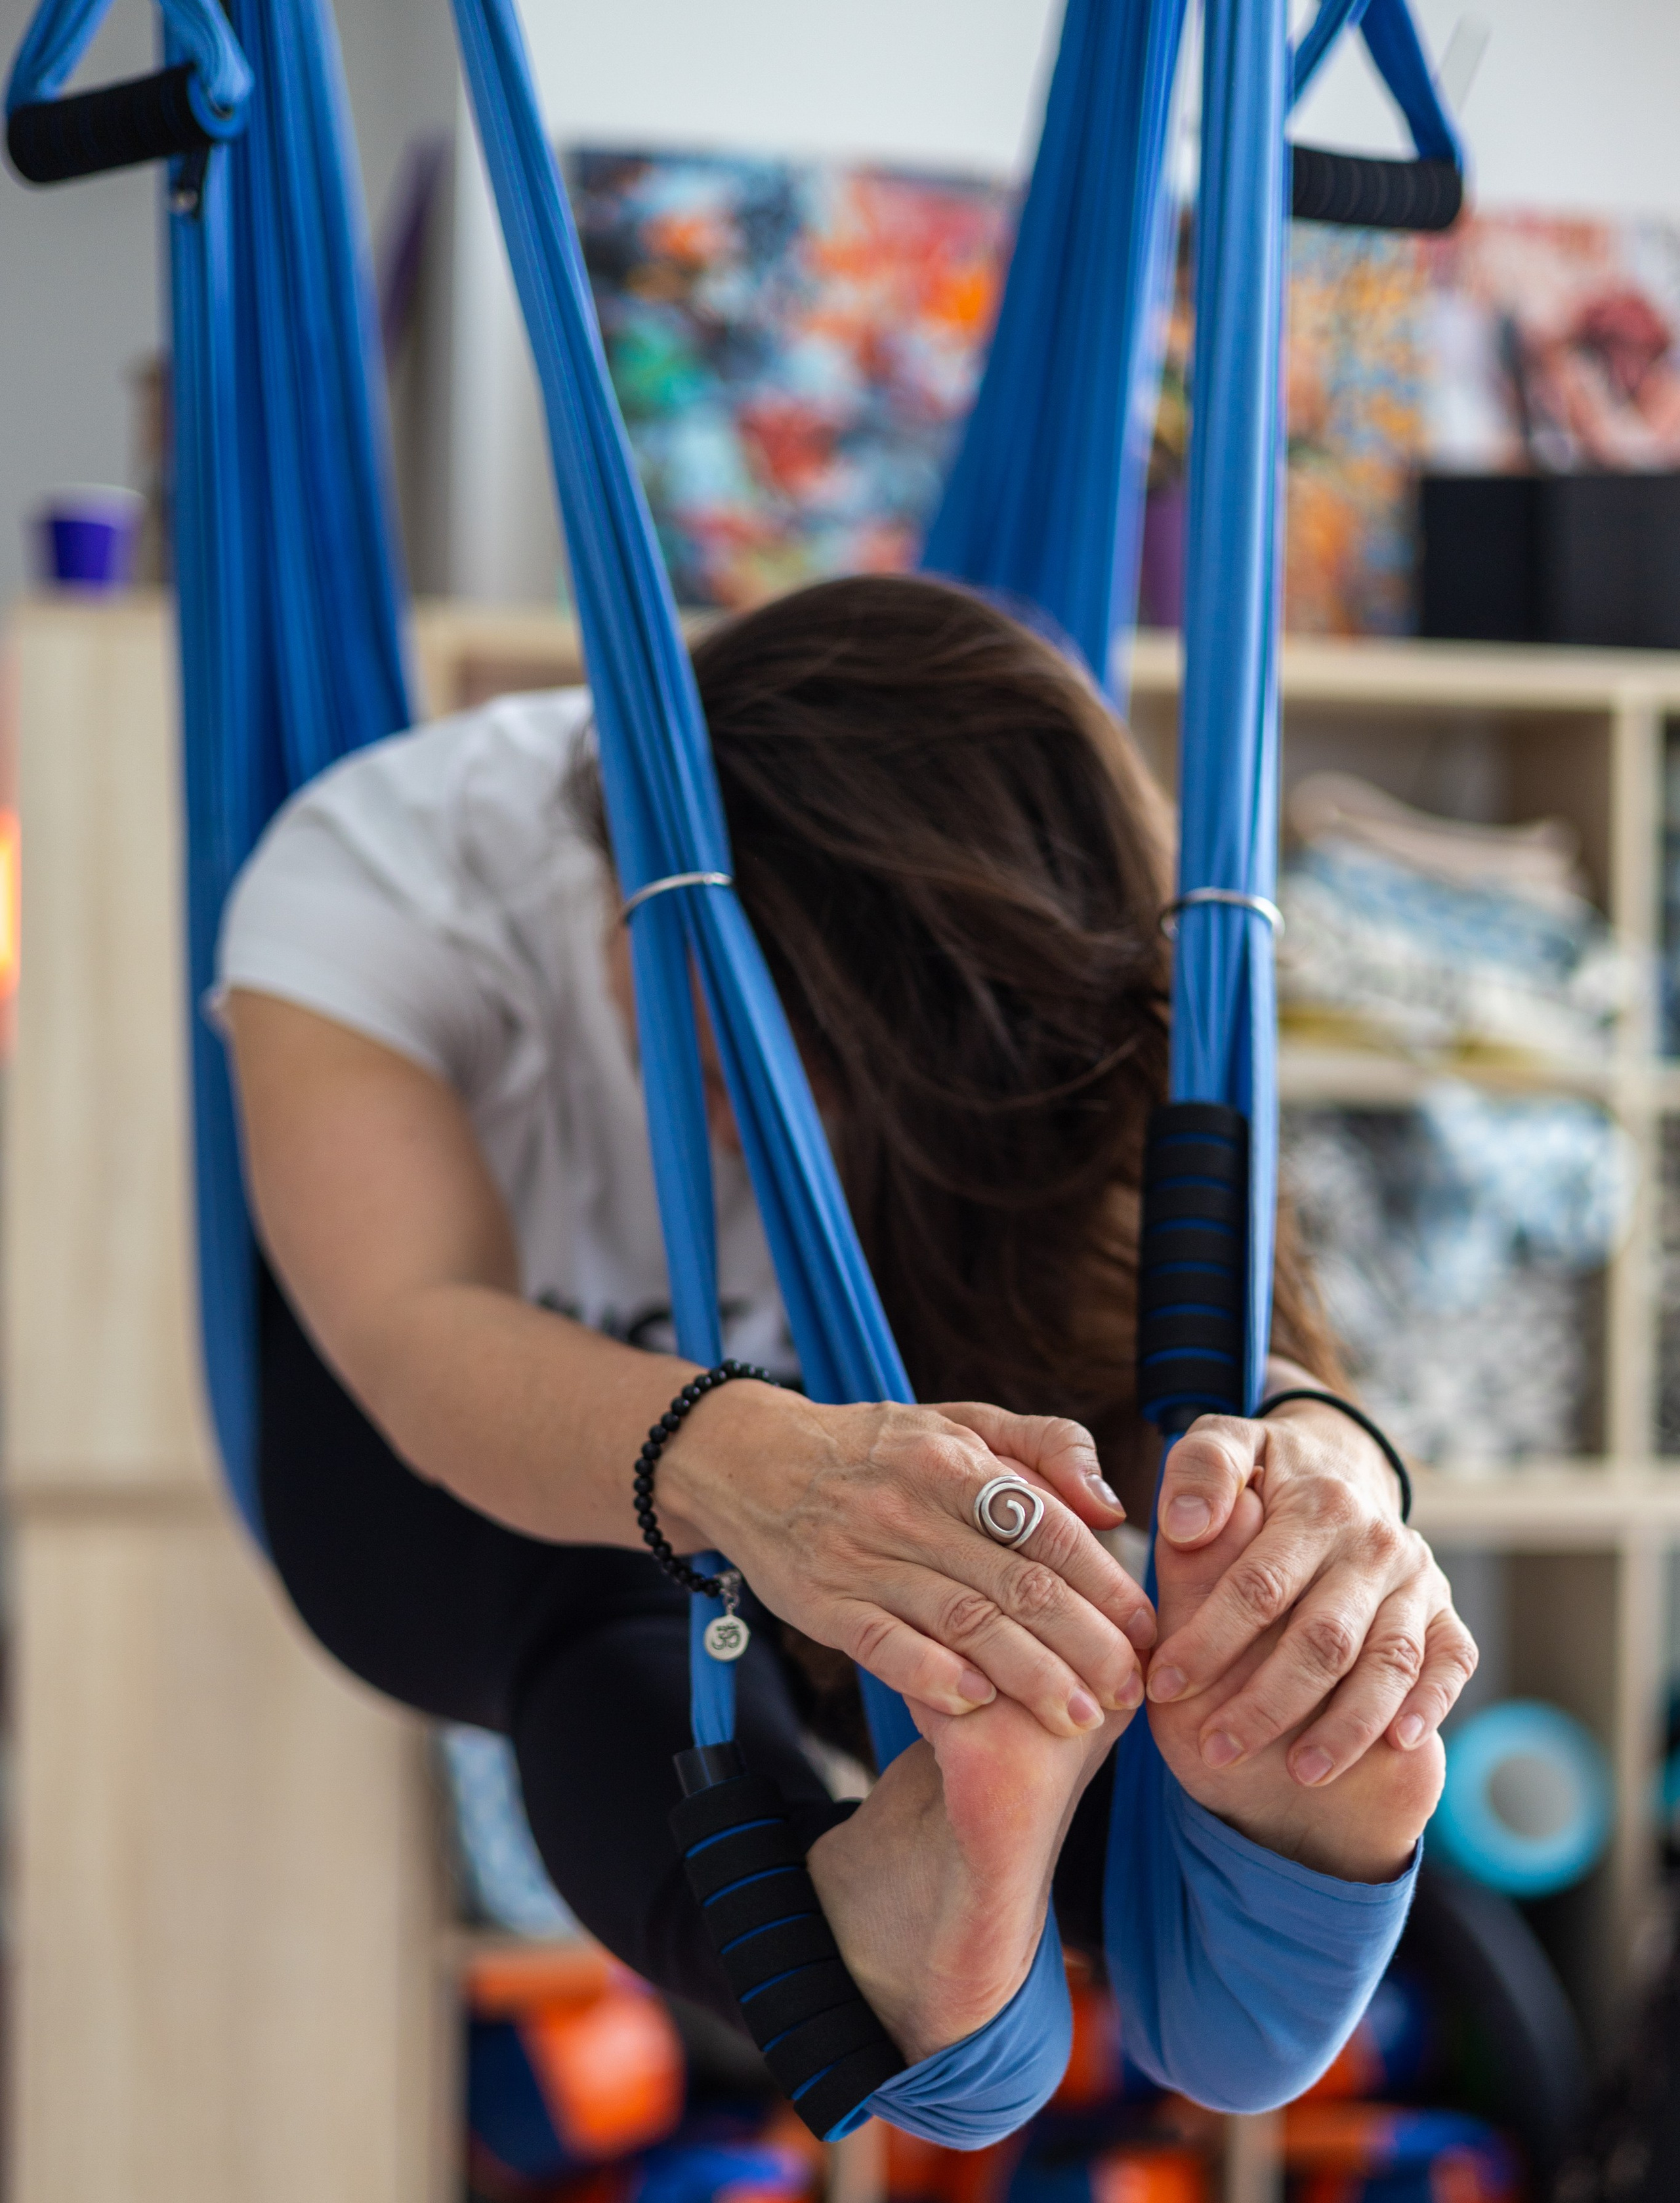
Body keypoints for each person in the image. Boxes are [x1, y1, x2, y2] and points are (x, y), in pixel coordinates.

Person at [219, 574, 1475, 2105]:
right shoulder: (387, 867)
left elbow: (1152, 1303)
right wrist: (750, 1461)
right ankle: (874, 1911)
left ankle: (1191, 1811)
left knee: (1058, 1585)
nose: (779, 1139)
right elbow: (413, 1330)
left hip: (888, 1402)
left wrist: (1322, 1482)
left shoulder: (1047, 903)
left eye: (847, 1105)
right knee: (619, 1617)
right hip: (444, 1471)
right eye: (741, 1071)